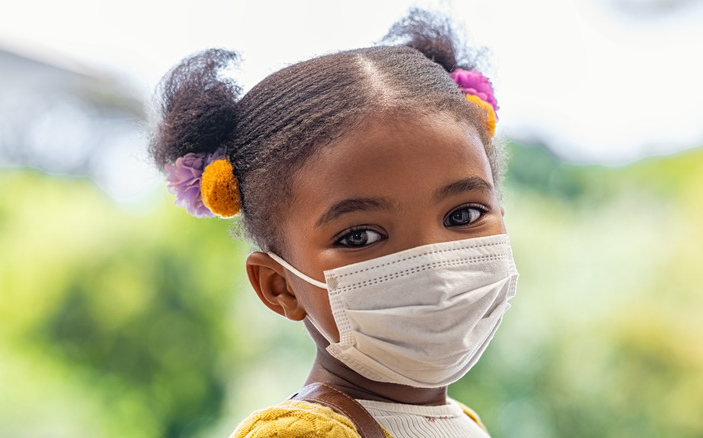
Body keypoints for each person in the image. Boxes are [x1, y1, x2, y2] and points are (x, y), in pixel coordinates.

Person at [150, 8, 519, 437]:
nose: (433, 266)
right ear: (280, 285)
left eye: (464, 214)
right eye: (361, 236)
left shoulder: (462, 423)